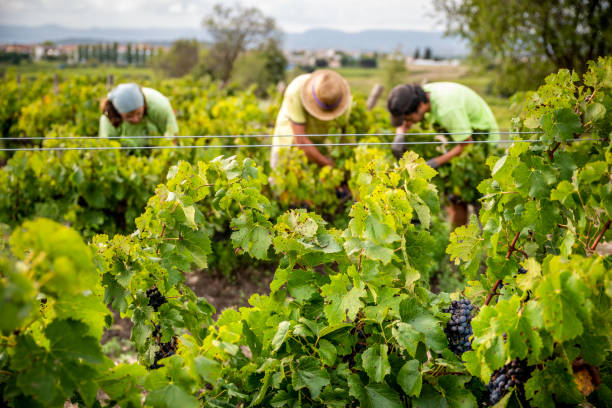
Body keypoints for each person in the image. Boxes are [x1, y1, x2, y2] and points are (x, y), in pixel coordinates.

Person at [387, 82, 499, 226]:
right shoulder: (424, 96)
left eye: (408, 119)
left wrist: (434, 163)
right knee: (456, 200)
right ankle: (459, 243)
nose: (407, 123)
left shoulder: (447, 110)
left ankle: (488, 239)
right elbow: (407, 120)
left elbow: (467, 144)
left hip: (482, 144)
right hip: (459, 138)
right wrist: (400, 134)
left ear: (420, 107)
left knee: (482, 202)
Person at [270, 69, 351, 169]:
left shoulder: (340, 97)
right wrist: (327, 164)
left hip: (319, 146)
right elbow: (301, 140)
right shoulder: (296, 90)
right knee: (278, 180)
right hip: (287, 144)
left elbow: (342, 136)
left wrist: (339, 162)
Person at [99, 83, 178, 146]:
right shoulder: (109, 114)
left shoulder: (159, 106)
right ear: (118, 112)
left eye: (139, 113)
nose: (135, 119)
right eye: (129, 116)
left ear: (143, 105)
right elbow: (107, 146)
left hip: (155, 145)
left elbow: (172, 136)